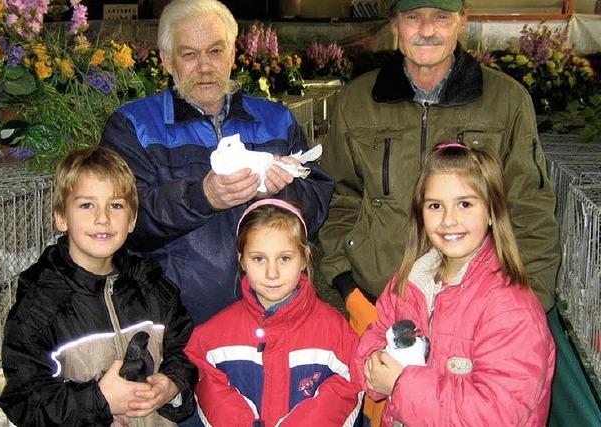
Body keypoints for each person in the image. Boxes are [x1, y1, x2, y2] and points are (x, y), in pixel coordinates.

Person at [318, 0, 560, 332]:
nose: (427, 30)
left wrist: (524, 308)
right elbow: (336, 198)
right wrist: (348, 289)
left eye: (441, 17)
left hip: (477, 311)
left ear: (463, 21)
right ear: (394, 25)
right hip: (378, 300)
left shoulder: (506, 102)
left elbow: (531, 210)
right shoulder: (358, 102)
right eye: (413, 17)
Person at [100, 0, 333, 326]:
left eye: (215, 51)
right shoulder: (133, 126)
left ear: (233, 54)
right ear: (167, 61)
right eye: (189, 54)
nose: (205, 67)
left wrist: (279, 196)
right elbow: (125, 222)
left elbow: (319, 204)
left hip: (274, 314)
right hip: (177, 321)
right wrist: (202, 197)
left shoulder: (276, 119)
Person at [355, 143, 555, 426]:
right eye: (435, 206)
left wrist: (400, 385)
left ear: (490, 212)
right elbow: (377, 332)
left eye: (465, 204)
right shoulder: (409, 282)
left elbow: (496, 414)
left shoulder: (512, 309)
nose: (449, 220)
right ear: (420, 214)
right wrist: (376, 363)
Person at [0, 147, 198, 426]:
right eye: (86, 205)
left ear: (132, 220)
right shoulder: (39, 306)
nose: (102, 217)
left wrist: (172, 383)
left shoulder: (154, 288)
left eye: (115, 205)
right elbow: (25, 400)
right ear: (61, 217)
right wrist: (99, 401)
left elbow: (188, 349)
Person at [184, 199, 363, 426]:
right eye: (259, 259)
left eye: (284, 258)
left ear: (304, 258)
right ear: (241, 261)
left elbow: (350, 385)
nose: (272, 273)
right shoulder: (212, 335)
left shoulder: (336, 330)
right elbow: (202, 377)